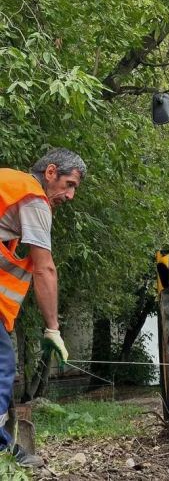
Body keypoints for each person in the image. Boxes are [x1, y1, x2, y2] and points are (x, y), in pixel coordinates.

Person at [0, 148, 86, 467]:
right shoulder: (34, 198)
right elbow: (44, 268)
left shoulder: (9, 183)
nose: (70, 195)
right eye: (69, 184)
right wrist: (53, 329)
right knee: (2, 365)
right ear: (50, 173)